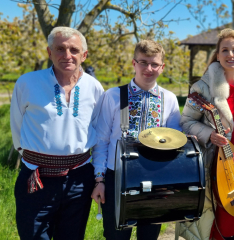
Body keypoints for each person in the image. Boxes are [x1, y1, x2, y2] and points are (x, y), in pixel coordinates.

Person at [10, 26, 104, 240]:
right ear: (49, 52)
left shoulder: (95, 88)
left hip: (79, 180)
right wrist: (33, 157)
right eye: (60, 49)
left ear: (84, 55)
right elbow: (17, 126)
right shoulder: (27, 83)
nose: (67, 55)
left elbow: (99, 134)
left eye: (74, 50)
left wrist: (98, 178)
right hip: (36, 177)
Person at [176, 28, 234, 240]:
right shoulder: (203, 87)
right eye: (225, 50)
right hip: (210, 164)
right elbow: (185, 122)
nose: (230, 55)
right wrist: (209, 134)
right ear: (218, 54)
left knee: (230, 220)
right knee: (207, 222)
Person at [91, 40, 182, 239]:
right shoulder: (114, 96)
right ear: (134, 64)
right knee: (116, 236)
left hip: (156, 180)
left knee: (149, 236)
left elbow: (175, 145)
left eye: (154, 64)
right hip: (117, 178)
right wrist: (99, 179)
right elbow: (101, 141)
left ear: (162, 67)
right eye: (143, 62)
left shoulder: (170, 99)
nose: (148, 69)